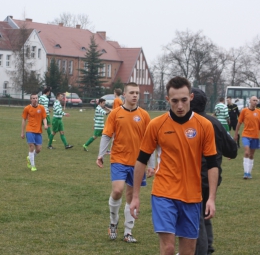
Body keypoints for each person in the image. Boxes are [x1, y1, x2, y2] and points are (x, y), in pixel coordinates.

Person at [130, 76, 219, 255]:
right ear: (167, 100)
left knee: (188, 251)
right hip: (164, 193)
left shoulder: (205, 126)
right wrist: (135, 196)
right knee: (169, 248)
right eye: (175, 101)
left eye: (184, 100)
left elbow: (212, 164)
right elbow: (141, 160)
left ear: (191, 98)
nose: (180, 106)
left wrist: (211, 198)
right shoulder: (156, 124)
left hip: (192, 196)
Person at [96, 82, 154, 243]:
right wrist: (100, 154)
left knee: (131, 196)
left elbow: (150, 142)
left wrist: (151, 164)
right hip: (119, 159)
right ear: (125, 95)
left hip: (138, 163)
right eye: (132, 93)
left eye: (137, 93)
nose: (135, 95)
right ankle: (113, 223)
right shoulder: (115, 114)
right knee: (117, 190)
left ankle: (128, 231)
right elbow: (107, 135)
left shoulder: (144, 115)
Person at [190, 88, 237, 255]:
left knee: (198, 218)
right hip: (212, 177)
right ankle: (207, 248)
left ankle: (201, 250)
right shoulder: (215, 123)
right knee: (204, 213)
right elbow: (232, 150)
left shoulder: (189, 123)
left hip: (195, 177)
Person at [234, 95, 260, 179]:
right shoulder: (244, 111)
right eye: (254, 100)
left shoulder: (259, 112)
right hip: (246, 135)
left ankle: (249, 173)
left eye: (256, 100)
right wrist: (236, 133)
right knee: (246, 153)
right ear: (250, 101)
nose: (255, 102)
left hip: (255, 136)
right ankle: (245, 173)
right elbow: (239, 123)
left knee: (251, 155)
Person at [21, 93, 48, 171]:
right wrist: (22, 132)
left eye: (36, 98)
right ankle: (33, 166)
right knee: (31, 146)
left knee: (39, 149)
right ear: (30, 99)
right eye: (33, 98)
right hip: (29, 130)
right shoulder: (27, 108)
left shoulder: (41, 108)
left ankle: (29, 158)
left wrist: (45, 125)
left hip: (38, 131)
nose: (35, 100)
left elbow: (44, 118)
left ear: (38, 99)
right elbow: (23, 120)